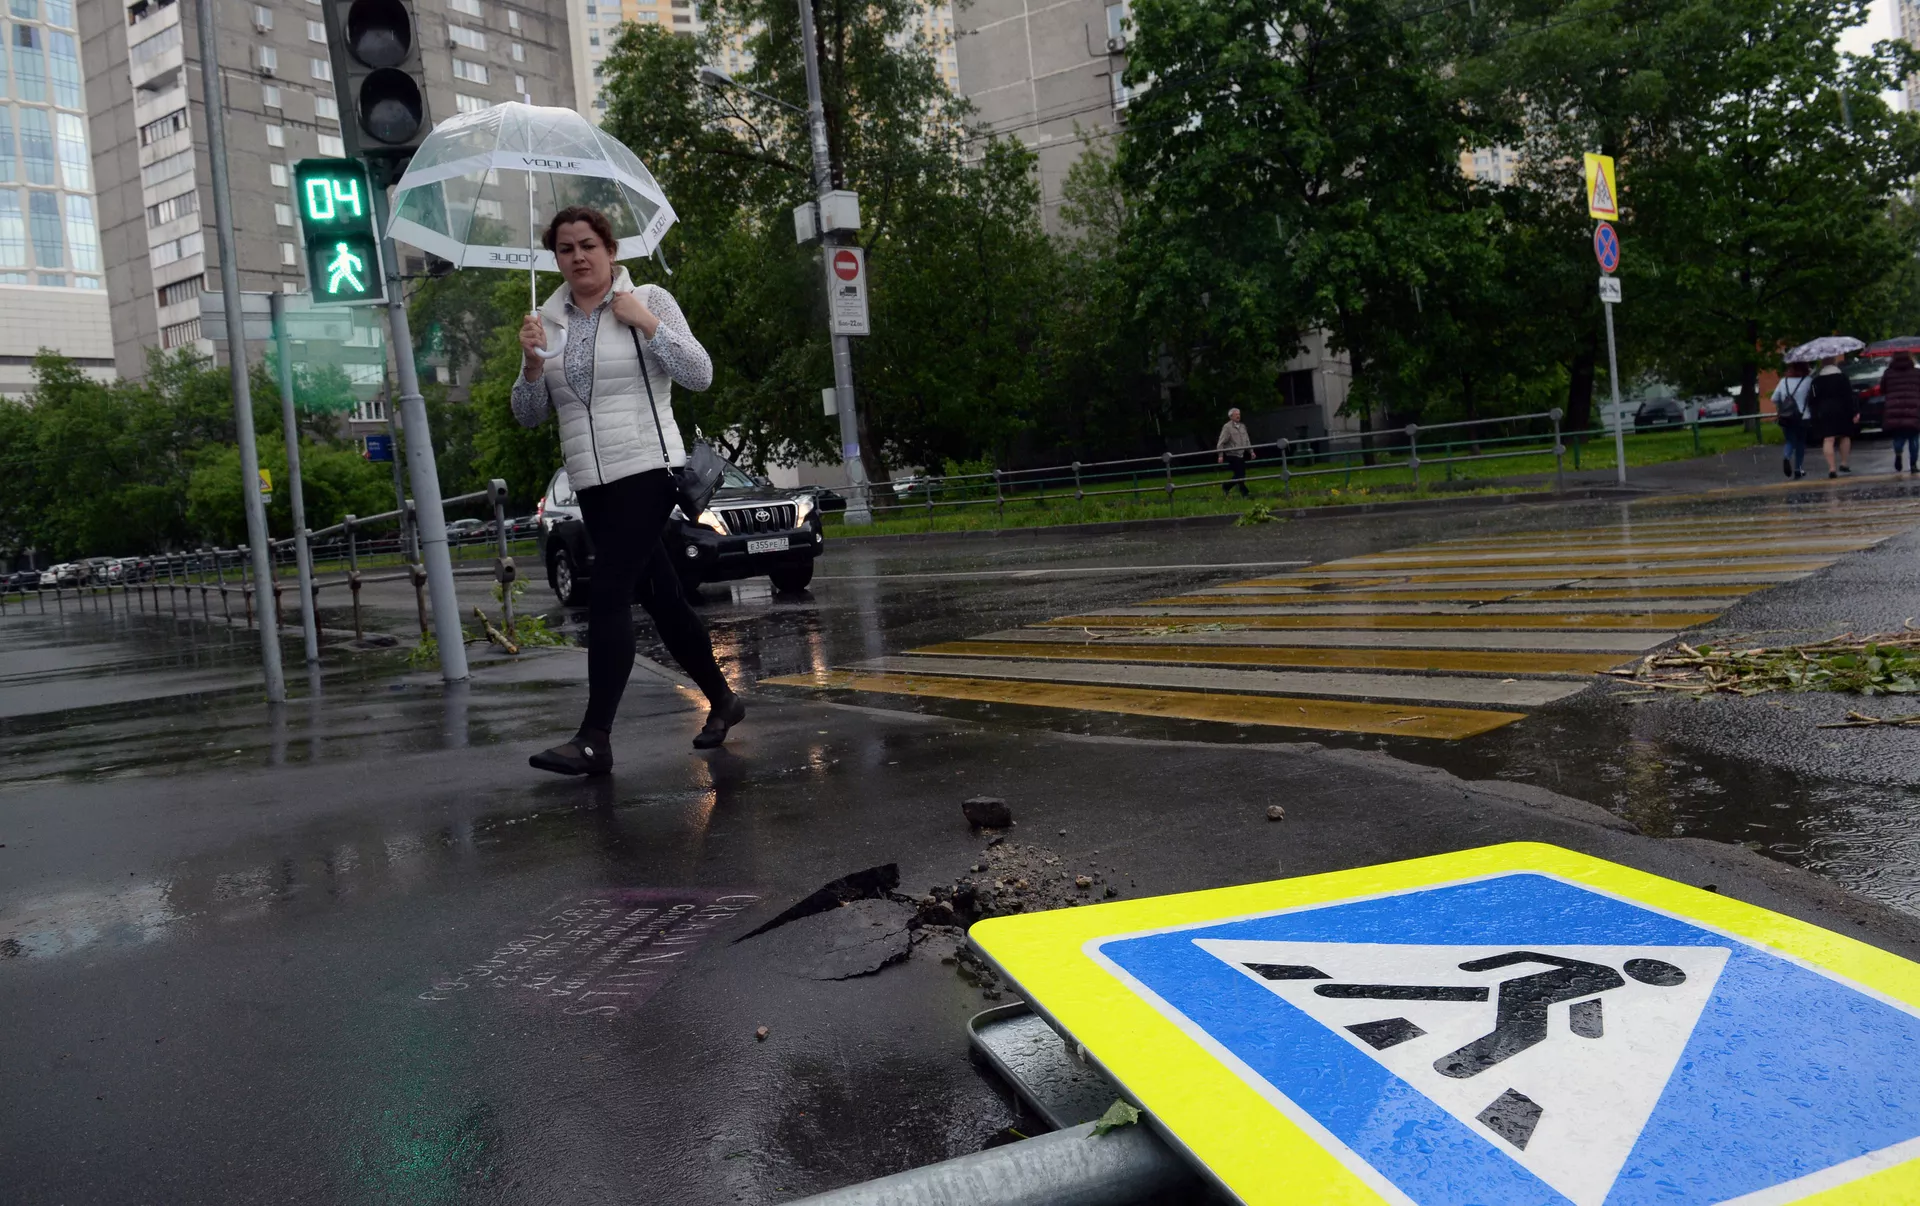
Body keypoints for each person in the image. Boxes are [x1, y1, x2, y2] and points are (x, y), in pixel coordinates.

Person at [510, 205, 743, 776]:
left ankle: (595, 738)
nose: (578, 257)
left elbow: (700, 373)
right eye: (566, 249)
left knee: (609, 592)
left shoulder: (649, 298)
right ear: (556, 259)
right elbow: (528, 415)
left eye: (588, 245)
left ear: (610, 250)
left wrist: (646, 322)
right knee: (661, 596)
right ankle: (723, 699)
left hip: (648, 468)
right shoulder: (546, 322)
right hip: (592, 482)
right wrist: (531, 365)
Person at [1809, 354, 1858, 479]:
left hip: (1825, 411)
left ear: (1822, 363)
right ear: (1834, 361)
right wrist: (1855, 411)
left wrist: (1815, 416)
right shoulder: (1842, 377)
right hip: (1843, 409)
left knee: (1828, 439)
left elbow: (1812, 400)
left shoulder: (1816, 381)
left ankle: (1832, 468)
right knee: (1845, 436)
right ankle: (1844, 463)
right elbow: (1850, 395)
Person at [1771, 362, 1814, 479]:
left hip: (1786, 417)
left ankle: (1786, 456)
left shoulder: (1783, 381)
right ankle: (1798, 469)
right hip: (1803, 416)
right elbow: (1813, 397)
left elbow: (1774, 399)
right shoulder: (1808, 381)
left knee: (1790, 441)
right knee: (1800, 443)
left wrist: (1784, 404)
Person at [1880, 352, 1920, 474]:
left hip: (1894, 408)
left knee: (1898, 435)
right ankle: (1913, 464)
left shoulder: (1888, 373)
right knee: (1914, 437)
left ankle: (1898, 453)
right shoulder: (1917, 373)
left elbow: (1882, 389)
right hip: (1914, 408)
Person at [1216, 407, 1255, 496]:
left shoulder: (1242, 426)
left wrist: (1251, 451)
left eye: (1239, 414)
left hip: (1241, 453)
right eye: (1236, 414)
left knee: (1241, 474)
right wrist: (1220, 455)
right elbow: (1221, 442)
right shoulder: (1227, 427)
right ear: (1231, 416)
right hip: (1232, 454)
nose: (1238, 416)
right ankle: (1245, 493)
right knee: (1240, 474)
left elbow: (1247, 440)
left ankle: (1226, 486)